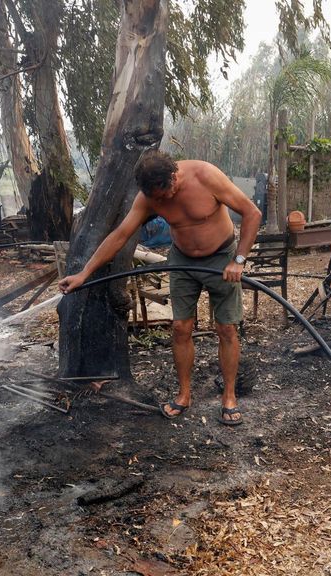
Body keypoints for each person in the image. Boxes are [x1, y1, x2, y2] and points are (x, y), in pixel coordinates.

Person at [59, 151, 261, 426]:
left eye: (166, 193)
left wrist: (239, 260)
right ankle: (183, 395)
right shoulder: (149, 198)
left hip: (222, 258)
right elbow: (120, 235)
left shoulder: (206, 176)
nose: (163, 201)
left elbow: (252, 212)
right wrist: (84, 273)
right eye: (157, 198)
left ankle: (229, 396)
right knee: (180, 328)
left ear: (174, 175)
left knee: (226, 328)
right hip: (182, 260)